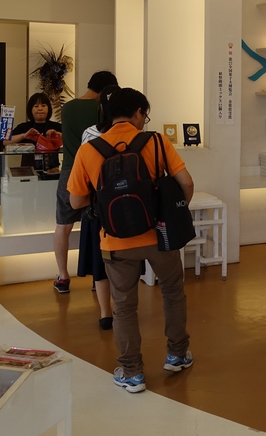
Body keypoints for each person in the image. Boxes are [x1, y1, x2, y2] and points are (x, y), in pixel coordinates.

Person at [68, 87, 195, 393]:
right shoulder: (157, 141)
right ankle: (177, 355)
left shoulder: (89, 150)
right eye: (144, 115)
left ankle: (132, 372)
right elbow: (187, 183)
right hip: (159, 236)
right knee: (173, 293)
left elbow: (75, 201)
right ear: (138, 113)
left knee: (124, 306)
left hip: (115, 241)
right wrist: (173, 213)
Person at [53, 71, 118, 295]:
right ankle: (98, 276)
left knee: (63, 225)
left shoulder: (68, 108)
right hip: (97, 171)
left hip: (69, 169)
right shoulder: (101, 108)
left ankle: (63, 276)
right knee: (99, 223)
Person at [74, 84, 121, 330]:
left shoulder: (89, 134)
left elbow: (81, 177)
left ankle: (105, 314)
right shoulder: (137, 135)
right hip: (126, 207)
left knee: (100, 262)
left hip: (97, 206)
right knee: (124, 263)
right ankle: (123, 308)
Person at [4, 92, 62, 170]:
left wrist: (58, 135)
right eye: (36, 106)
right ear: (30, 109)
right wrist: (23, 136)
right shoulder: (24, 126)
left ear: (49, 108)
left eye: (43, 105)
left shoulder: (56, 126)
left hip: (52, 170)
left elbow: (71, 140)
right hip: (28, 170)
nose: (40, 109)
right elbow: (5, 141)